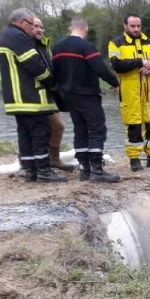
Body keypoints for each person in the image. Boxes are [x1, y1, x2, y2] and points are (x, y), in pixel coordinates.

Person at [0, 8, 66, 183]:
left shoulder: (6, 36)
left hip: (16, 98)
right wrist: (51, 82)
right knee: (40, 133)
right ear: (22, 22)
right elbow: (34, 65)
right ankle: (44, 170)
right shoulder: (17, 37)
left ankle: (29, 169)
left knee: (25, 134)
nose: (32, 28)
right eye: (30, 24)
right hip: (30, 96)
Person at [52, 16, 121, 183]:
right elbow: (99, 67)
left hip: (68, 96)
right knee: (97, 129)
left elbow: (54, 72)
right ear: (86, 28)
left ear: (71, 28)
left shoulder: (57, 47)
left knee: (80, 130)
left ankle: (84, 169)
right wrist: (114, 82)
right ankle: (97, 170)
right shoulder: (86, 46)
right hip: (87, 95)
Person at [108, 14, 150, 172]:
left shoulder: (149, 42)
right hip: (129, 90)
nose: (136, 29)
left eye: (138, 26)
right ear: (125, 26)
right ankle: (134, 160)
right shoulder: (116, 43)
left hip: (149, 89)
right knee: (133, 125)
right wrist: (139, 62)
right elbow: (117, 65)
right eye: (133, 26)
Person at [31, 16, 75, 172]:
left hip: (48, 92)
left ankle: (53, 159)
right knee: (35, 129)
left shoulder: (45, 45)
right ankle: (33, 161)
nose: (38, 30)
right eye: (35, 26)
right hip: (30, 95)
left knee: (58, 125)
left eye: (41, 27)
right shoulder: (24, 46)